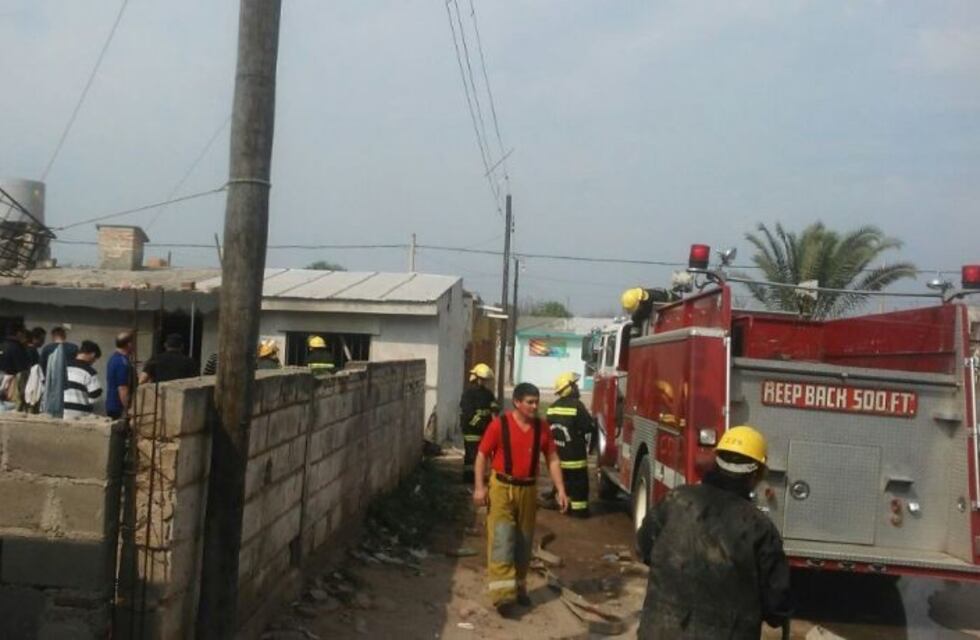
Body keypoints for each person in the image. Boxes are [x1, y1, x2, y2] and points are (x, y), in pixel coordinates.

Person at [636, 425, 792, 639]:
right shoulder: (760, 528)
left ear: (715, 463)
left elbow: (643, 548)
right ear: (756, 474)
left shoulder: (675, 500)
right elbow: (777, 605)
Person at [473, 382, 569, 616]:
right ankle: (503, 597)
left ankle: (519, 586)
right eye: (530, 402)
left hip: (528, 490)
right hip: (502, 488)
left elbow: (553, 459)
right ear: (517, 402)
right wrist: (479, 488)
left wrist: (560, 490)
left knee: (524, 540)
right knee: (502, 538)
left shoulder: (542, 428)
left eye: (537, 402)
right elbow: (482, 455)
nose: (535, 406)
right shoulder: (499, 425)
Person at [545, 372, 596, 518]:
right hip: (575, 458)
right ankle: (579, 512)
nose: (577, 388)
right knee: (579, 486)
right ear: (569, 388)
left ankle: (562, 505)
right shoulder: (577, 406)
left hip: (558, 458)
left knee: (562, 483)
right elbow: (588, 427)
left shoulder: (552, 407)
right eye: (575, 385)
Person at [459, 363, 499, 483]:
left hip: (484, 429)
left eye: (485, 379)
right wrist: (482, 424)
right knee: (472, 454)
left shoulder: (488, 393)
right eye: (482, 379)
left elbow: (493, 405)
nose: (484, 382)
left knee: (484, 453)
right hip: (471, 429)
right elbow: (469, 413)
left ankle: (481, 476)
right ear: (475, 378)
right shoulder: (468, 394)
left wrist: (495, 408)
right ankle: (469, 477)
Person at [42, 327, 79, 418]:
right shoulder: (74, 348)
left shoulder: (47, 349)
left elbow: (42, 367)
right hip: (71, 382)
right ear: (64, 335)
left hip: (51, 383)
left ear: (53, 336)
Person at [63, 341, 103, 419]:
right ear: (93, 354)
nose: (93, 362)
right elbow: (95, 399)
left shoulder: (64, 367)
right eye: (95, 359)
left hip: (61, 414)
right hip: (80, 416)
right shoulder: (90, 372)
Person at [106, 331, 135, 420]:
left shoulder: (114, 358)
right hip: (119, 408)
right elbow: (122, 388)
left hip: (113, 405)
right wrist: (127, 409)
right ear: (129, 344)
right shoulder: (122, 362)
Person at [0, 325, 30, 412]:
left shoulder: (2, 345)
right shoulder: (17, 347)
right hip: (11, 380)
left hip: (3, 377)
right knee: (10, 405)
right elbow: (22, 368)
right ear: (19, 333)